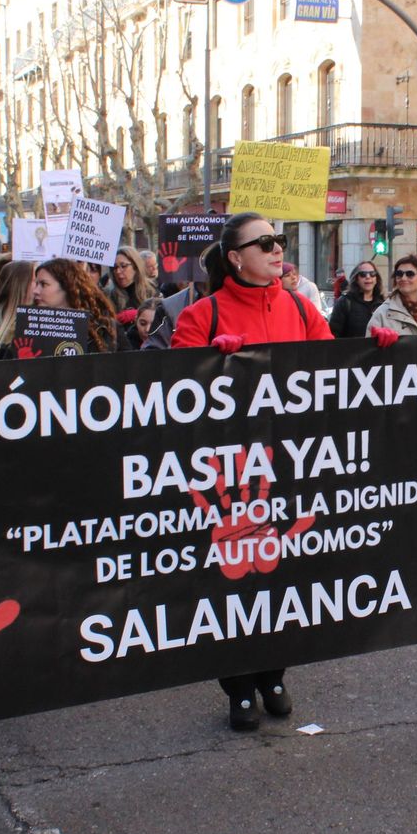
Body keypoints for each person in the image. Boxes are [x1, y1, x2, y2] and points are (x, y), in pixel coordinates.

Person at [171, 213, 336, 731]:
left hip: (289, 464)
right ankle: (238, 686)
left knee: (284, 575)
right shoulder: (203, 315)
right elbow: (172, 393)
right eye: (263, 243)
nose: (276, 249)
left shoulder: (301, 308)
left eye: (279, 240)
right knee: (232, 581)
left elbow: (336, 368)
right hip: (229, 478)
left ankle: (275, 674)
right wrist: (206, 365)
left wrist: (378, 350)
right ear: (236, 257)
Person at [35, 257, 130, 351]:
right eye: (36, 284)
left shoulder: (106, 327)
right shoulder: (31, 325)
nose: (36, 291)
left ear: (66, 287)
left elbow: (129, 363)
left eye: (44, 284)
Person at [104, 246, 156, 313]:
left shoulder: (152, 291)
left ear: (135, 266)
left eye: (123, 266)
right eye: (115, 267)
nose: (118, 271)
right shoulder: (108, 295)